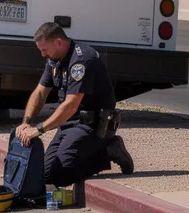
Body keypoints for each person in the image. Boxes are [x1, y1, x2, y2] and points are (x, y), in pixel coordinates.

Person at [16, 22, 134, 187]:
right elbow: (40, 92)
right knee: (45, 175)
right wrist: (26, 122)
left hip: (92, 124)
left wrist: (39, 129)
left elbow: (71, 104)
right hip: (68, 123)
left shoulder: (82, 59)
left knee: (61, 175)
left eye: (44, 50)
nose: (43, 55)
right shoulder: (54, 59)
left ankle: (108, 150)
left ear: (58, 42)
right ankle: (99, 152)